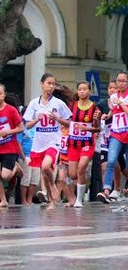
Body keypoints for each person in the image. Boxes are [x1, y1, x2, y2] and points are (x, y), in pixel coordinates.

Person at [23, 73, 72, 210]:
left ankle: (52, 188)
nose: (51, 86)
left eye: (53, 84)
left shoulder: (58, 103)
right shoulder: (34, 103)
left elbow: (69, 122)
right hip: (39, 142)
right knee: (44, 173)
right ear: (42, 84)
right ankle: (51, 201)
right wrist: (36, 119)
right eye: (49, 83)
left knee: (45, 166)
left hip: (53, 140)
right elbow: (27, 125)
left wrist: (57, 119)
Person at [96, 71, 128, 204]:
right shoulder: (112, 98)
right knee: (111, 161)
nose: (120, 83)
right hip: (116, 134)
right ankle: (106, 190)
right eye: (118, 81)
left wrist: (122, 104)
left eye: (123, 81)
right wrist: (108, 115)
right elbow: (113, 110)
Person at [67, 81, 100, 208]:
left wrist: (87, 128)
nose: (82, 91)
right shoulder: (72, 106)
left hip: (87, 143)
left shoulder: (94, 108)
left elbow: (98, 129)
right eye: (79, 89)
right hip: (73, 144)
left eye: (84, 89)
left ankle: (79, 200)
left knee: (81, 168)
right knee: (73, 174)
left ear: (89, 91)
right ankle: (75, 194)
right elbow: (67, 121)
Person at [0, 84, 24, 207]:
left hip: (9, 148)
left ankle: (16, 168)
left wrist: (8, 132)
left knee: (5, 176)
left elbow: (21, 128)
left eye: (0, 93)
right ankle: (3, 200)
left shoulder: (11, 110)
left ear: (4, 95)